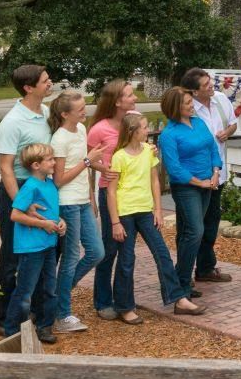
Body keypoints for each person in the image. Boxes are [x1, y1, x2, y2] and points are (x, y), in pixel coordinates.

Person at [0, 64, 56, 326]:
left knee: (41, 250)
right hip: (17, 189)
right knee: (12, 255)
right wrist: (22, 204)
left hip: (42, 187)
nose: (50, 84)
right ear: (29, 88)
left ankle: (35, 312)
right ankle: (4, 317)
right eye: (45, 81)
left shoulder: (46, 113)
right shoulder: (12, 122)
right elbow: (5, 167)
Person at [103, 111, 175, 321]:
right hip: (125, 213)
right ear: (133, 132)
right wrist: (115, 222)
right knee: (126, 259)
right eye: (144, 127)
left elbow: (154, 181)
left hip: (146, 211)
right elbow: (111, 191)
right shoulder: (119, 157)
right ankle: (124, 307)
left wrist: (158, 209)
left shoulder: (148, 151)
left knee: (162, 253)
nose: (148, 130)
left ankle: (177, 297)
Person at [157, 82, 222, 311]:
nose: (191, 105)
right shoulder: (169, 134)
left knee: (188, 233)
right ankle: (180, 290)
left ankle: (181, 286)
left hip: (207, 183)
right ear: (175, 107)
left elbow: (213, 149)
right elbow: (174, 169)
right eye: (186, 103)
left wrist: (215, 172)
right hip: (187, 188)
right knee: (195, 232)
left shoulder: (198, 122)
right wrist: (200, 182)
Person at [46, 91, 107, 335]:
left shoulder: (81, 130)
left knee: (96, 252)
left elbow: (86, 168)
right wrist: (87, 160)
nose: (85, 111)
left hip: (82, 201)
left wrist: (91, 196)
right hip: (67, 203)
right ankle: (62, 314)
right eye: (80, 109)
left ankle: (55, 296)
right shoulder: (59, 139)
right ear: (64, 114)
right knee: (70, 258)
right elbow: (58, 180)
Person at [0, 142, 66, 343]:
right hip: (31, 248)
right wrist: (42, 224)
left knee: (49, 289)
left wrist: (60, 222)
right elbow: (15, 215)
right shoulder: (30, 187)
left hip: (48, 244)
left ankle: (44, 327)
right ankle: (12, 331)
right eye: (50, 160)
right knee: (25, 291)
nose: (54, 162)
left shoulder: (49, 184)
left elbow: (52, 212)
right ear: (36, 165)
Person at [86, 81, 136, 317]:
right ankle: (103, 301)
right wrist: (101, 170)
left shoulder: (133, 120)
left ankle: (123, 298)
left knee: (127, 248)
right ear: (117, 101)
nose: (135, 98)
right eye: (130, 94)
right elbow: (85, 160)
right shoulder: (99, 129)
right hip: (110, 193)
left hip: (133, 194)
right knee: (110, 246)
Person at [185, 69, 236, 285]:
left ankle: (205, 267)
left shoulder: (221, 100)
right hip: (196, 177)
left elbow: (233, 122)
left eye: (210, 82)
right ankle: (185, 272)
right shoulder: (188, 108)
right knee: (193, 226)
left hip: (218, 173)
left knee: (211, 222)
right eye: (206, 84)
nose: (211, 86)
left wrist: (228, 132)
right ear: (195, 92)